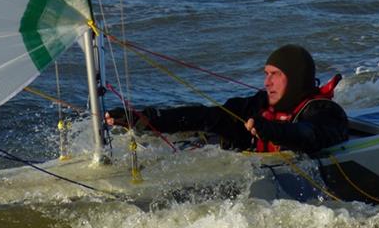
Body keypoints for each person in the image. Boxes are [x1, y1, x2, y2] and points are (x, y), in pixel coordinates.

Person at [105, 44, 348, 154]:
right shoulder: (257, 104)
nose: (267, 82)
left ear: (295, 77)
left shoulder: (325, 112)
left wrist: (269, 130)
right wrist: (142, 118)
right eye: (266, 74)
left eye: (275, 75)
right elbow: (208, 116)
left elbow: (309, 135)